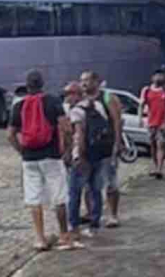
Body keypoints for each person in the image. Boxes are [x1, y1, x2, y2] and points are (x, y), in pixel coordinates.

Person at [7, 70, 69, 251]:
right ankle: (64, 235)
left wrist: (22, 151)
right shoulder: (53, 101)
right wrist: (66, 149)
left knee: (34, 198)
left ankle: (40, 238)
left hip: (29, 158)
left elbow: (10, 135)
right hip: (51, 155)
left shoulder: (19, 106)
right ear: (42, 84)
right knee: (59, 196)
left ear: (27, 86)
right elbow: (65, 128)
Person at [66, 71, 116, 243]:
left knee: (74, 193)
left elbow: (79, 135)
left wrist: (78, 156)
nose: (66, 98)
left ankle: (73, 227)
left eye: (68, 94)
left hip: (83, 156)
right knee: (95, 190)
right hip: (98, 155)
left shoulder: (77, 111)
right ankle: (94, 225)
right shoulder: (97, 105)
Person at [139, 69, 165, 180]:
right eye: (157, 76)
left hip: (161, 123)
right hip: (150, 122)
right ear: (152, 78)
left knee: (161, 145)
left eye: (161, 76)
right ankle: (155, 166)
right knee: (152, 145)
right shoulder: (146, 90)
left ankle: (159, 169)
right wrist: (140, 119)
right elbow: (141, 105)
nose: (159, 78)